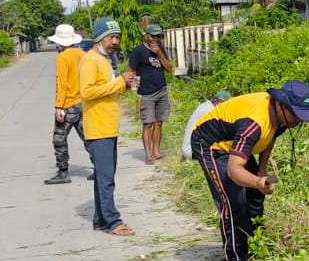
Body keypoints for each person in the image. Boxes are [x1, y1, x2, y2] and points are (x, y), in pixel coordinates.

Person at [190, 79, 309, 261]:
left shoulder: (282, 117)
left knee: (254, 198)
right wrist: (259, 182)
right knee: (234, 203)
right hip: (211, 145)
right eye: (296, 114)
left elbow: (270, 138)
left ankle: (250, 251)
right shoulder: (254, 123)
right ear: (281, 104)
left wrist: (261, 170)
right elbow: (234, 170)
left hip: (233, 145)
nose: (298, 121)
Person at [79, 17, 137, 235]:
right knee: (106, 179)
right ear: (100, 38)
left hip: (108, 126)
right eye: (111, 37)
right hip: (98, 126)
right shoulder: (90, 61)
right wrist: (119, 81)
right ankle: (113, 221)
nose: (115, 42)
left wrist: (124, 85)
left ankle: (100, 219)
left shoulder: (105, 60)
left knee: (104, 176)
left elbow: (106, 88)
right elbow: (87, 92)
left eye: (118, 37)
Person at [44, 23, 88, 185]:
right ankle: (99, 167)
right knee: (87, 137)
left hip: (68, 104)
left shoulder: (62, 57)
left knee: (59, 138)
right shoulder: (83, 54)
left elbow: (61, 83)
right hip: (83, 102)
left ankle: (63, 171)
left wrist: (58, 106)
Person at [128, 23, 175, 163]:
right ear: (146, 35)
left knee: (159, 123)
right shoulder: (138, 51)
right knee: (148, 124)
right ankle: (148, 154)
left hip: (161, 90)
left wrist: (159, 53)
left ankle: (156, 151)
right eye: (152, 36)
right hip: (147, 93)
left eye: (158, 36)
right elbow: (132, 71)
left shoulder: (160, 49)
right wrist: (135, 91)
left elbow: (169, 68)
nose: (155, 38)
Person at [181, 90, 232, 159]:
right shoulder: (208, 111)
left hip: (193, 147)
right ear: (218, 102)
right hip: (191, 151)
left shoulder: (206, 106)